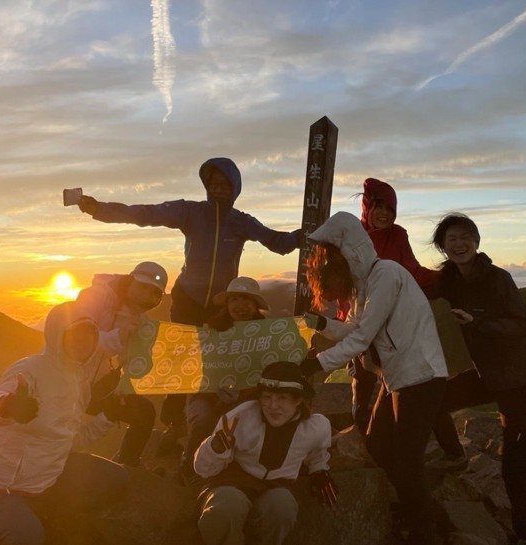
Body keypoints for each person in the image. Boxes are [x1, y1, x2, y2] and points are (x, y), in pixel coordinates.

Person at [77, 158, 303, 453]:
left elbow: (278, 243)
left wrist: (308, 235)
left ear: (235, 189)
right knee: (179, 359)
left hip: (221, 305)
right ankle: (175, 423)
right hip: (186, 300)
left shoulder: (242, 221)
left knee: (214, 362)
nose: (219, 189)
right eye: (214, 184)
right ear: (207, 188)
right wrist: (100, 209)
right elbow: (147, 214)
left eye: (225, 185)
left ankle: (211, 422)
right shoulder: (190, 212)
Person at [299, 211, 447, 545]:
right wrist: (322, 324)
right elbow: (354, 328)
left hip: (422, 377)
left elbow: (362, 337)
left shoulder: (387, 274)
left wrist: (316, 365)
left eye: (332, 255)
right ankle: (423, 510)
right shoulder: (363, 285)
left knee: (407, 461)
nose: (326, 263)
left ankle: (424, 532)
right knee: (379, 445)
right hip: (397, 379)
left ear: (349, 249)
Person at [424, 212, 526, 545]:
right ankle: (455, 455)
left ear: (477, 242)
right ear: (443, 247)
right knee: (432, 398)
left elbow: (523, 324)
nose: (459, 243)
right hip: (491, 377)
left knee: (515, 469)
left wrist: (478, 324)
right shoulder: (450, 280)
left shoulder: (498, 278)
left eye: (465, 236)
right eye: (451, 239)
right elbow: (417, 284)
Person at [0, 302, 128, 545]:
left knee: (116, 479)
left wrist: (107, 418)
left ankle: (46, 512)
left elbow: (71, 440)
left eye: (90, 335)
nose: (83, 341)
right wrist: (8, 406)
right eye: (75, 334)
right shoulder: (30, 368)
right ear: (56, 335)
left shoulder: (78, 381)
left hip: (48, 480)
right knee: (28, 537)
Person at [194, 361, 337, 545]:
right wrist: (216, 448)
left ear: (299, 400)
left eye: (282, 398)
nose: (272, 406)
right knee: (224, 506)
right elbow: (201, 469)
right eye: (267, 397)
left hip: (276, 487)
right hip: (231, 483)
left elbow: (317, 452)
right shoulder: (240, 417)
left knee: (282, 507)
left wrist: (319, 471)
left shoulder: (316, 427)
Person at [343, 177, 437, 434]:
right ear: (367, 206)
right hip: (361, 317)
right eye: (379, 206)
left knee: (393, 375)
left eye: (390, 209)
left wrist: (447, 277)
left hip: (393, 320)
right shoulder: (351, 238)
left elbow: (412, 271)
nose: (384, 214)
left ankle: (391, 430)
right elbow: (342, 281)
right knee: (362, 376)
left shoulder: (397, 235)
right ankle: (360, 425)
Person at [73, 261, 168, 467]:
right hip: (67, 384)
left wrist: (125, 384)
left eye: (154, 293)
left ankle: (129, 463)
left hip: (96, 388)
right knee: (64, 435)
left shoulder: (141, 319)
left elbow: (128, 360)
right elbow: (77, 340)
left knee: (144, 412)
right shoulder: (96, 296)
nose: (147, 296)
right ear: (129, 280)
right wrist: (119, 335)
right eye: (142, 287)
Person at [180, 276, 269, 486]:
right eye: (234, 299)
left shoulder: (269, 334)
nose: (240, 305)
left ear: (256, 305)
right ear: (227, 304)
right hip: (206, 393)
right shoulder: (210, 331)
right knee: (204, 419)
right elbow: (198, 367)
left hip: (249, 395)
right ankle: (188, 466)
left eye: (247, 299)